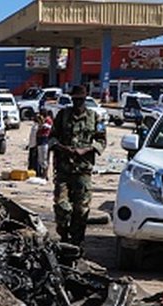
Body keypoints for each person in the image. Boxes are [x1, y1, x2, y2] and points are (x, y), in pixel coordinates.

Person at [49, 85, 106, 246]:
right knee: (62, 207)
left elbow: (102, 141)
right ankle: (64, 235)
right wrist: (62, 148)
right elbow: (51, 138)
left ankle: (76, 241)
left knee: (81, 210)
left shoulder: (94, 117)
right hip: (64, 169)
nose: (77, 103)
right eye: (75, 99)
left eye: (80, 99)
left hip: (83, 170)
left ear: (85, 99)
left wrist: (86, 149)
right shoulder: (62, 115)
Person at [35, 111, 53, 179]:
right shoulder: (43, 121)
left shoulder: (48, 121)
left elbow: (46, 127)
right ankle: (43, 173)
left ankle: (45, 174)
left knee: (44, 158)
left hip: (45, 141)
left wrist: (41, 122)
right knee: (41, 159)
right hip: (41, 141)